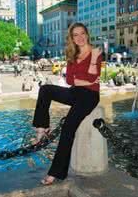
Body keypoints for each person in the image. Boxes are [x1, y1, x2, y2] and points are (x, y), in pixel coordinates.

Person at [32, 22, 102, 185]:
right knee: (45, 89)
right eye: (75, 35)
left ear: (87, 34)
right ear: (72, 38)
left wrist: (85, 77)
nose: (80, 38)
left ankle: (55, 172)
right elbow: (70, 80)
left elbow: (93, 79)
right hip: (75, 92)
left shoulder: (96, 53)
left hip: (90, 96)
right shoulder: (72, 54)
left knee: (68, 128)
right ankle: (42, 127)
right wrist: (82, 81)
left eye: (82, 33)